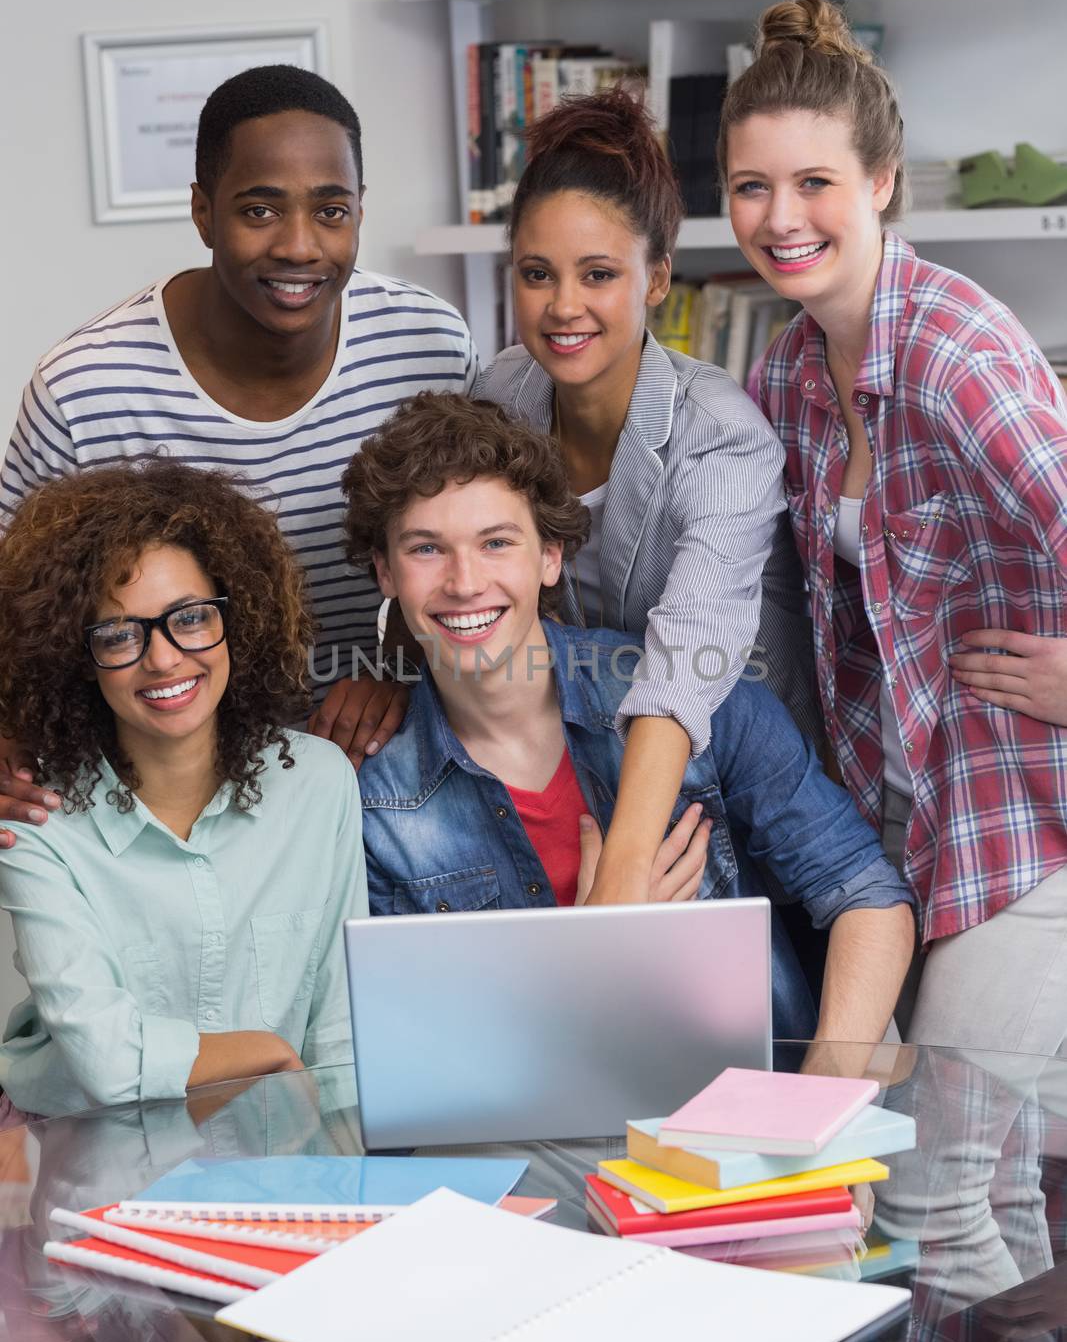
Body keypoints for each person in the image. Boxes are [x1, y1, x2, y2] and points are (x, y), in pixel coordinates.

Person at [0, 63, 477, 843]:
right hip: (161, 785)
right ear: (202, 211)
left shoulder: (425, 343)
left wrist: (402, 668)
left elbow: (475, 549)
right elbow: (13, 599)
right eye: (260, 209)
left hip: (382, 767)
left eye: (331, 210)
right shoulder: (84, 386)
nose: (299, 245)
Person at [344, 393, 914, 1044]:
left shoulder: (695, 693)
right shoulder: (371, 799)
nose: (465, 581)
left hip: (744, 1109)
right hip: (525, 1132)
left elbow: (864, 893)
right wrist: (591, 946)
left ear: (550, 556)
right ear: (385, 570)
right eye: (426, 550)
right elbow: (421, 1043)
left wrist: (822, 1086)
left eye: (496, 542)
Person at [720, 0, 1067, 1054]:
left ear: (877, 183)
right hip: (902, 815)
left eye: (813, 184)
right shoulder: (784, 373)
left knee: (934, 1174)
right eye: (750, 187)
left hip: (1027, 813)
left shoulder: (953, 357)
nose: (780, 219)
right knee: (969, 1171)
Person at [475, 88, 820, 911]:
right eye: (536, 274)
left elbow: (686, 655)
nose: (563, 307)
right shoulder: (498, 391)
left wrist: (623, 875)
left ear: (657, 277)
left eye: (598, 275)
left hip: (732, 779)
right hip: (578, 768)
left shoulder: (721, 433)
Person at [0, 460, 365, 1118]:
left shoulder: (317, 783)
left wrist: (342, 1181)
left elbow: (338, 1030)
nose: (163, 658)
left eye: (191, 618)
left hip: (284, 1158)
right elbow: (107, 1063)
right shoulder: (36, 820)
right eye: (118, 635)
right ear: (75, 656)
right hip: (90, 1158)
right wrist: (265, 1050)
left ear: (239, 616)